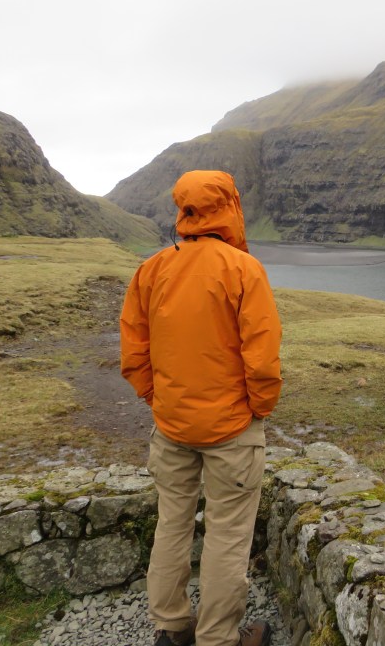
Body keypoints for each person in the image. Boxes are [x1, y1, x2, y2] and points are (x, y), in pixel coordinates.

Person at [120, 170, 282, 646]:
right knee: (228, 536)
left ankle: (171, 628)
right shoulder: (243, 269)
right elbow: (263, 355)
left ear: (184, 210)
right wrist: (258, 410)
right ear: (231, 206)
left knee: (171, 523)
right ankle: (217, 638)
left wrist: (157, 398)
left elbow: (134, 351)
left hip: (170, 428)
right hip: (232, 430)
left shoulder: (151, 268)